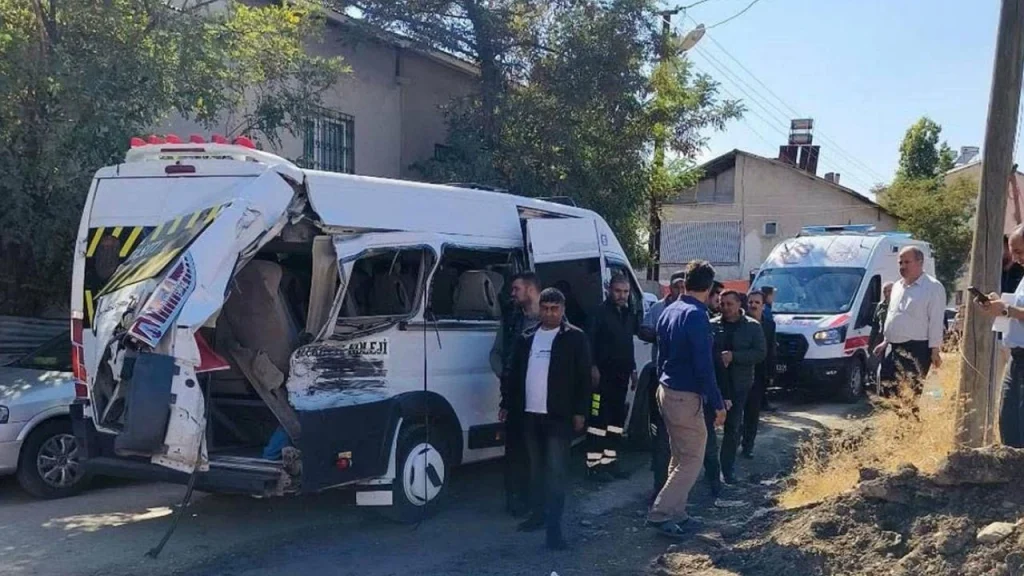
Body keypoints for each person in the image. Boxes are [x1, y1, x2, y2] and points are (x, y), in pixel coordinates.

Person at [502, 288, 590, 550]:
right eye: (545, 308)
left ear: (563, 310)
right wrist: (506, 404)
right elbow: (513, 374)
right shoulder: (526, 338)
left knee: (555, 473)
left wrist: (580, 411)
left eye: (555, 309)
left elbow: (583, 378)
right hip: (530, 416)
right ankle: (537, 516)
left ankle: (554, 530)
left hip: (558, 417)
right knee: (535, 470)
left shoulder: (575, 338)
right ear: (539, 308)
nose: (550, 313)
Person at [647, 260, 727, 539]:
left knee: (680, 456)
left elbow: (660, 356)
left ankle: (676, 513)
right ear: (708, 286)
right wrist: (718, 404)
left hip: (666, 390)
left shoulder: (669, 310)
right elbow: (704, 366)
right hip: (685, 396)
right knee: (692, 458)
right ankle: (660, 513)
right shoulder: (696, 315)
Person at [491, 272, 541, 517]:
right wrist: (506, 377)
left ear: (530, 290)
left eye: (516, 289)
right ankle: (516, 500)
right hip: (516, 397)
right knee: (515, 452)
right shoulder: (512, 318)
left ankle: (537, 501)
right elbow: (496, 354)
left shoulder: (552, 318)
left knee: (539, 452)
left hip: (543, 399)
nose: (512, 294)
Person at [586, 274, 639, 481]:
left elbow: (628, 344)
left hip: (621, 377)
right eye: (618, 291)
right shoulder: (598, 313)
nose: (622, 295)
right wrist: (592, 367)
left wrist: (633, 370)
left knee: (616, 422)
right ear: (609, 290)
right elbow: (589, 342)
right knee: (598, 421)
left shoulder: (628, 314)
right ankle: (594, 466)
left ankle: (610, 462)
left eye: (625, 292)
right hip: (601, 379)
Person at [874, 246, 946, 398]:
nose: (902, 266)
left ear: (920, 262)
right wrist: (885, 342)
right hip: (894, 348)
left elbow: (936, 320)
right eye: (900, 263)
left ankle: (910, 415)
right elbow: (893, 316)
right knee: (886, 392)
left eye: (907, 262)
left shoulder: (933, 287)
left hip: (917, 349)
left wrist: (935, 350)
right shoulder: (897, 287)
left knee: (909, 394)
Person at [710, 290, 766, 484]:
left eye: (729, 304)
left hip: (739, 385)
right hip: (715, 384)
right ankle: (710, 470)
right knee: (708, 429)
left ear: (738, 305)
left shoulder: (752, 326)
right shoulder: (712, 325)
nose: (725, 308)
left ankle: (727, 470)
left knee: (732, 428)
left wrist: (735, 357)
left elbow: (760, 353)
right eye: (722, 304)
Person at [640, 271, 686, 498]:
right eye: (676, 286)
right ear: (670, 288)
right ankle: (660, 486)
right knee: (660, 434)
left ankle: (676, 488)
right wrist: (660, 335)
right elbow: (643, 329)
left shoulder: (691, 311)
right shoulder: (658, 308)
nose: (680, 291)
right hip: (660, 377)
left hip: (684, 383)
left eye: (684, 286)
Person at [742, 291, 775, 459]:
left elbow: (771, 350)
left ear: (763, 305)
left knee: (753, 413)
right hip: (740, 375)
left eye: (757, 302)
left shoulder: (769, 325)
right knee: (737, 413)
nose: (753, 305)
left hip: (759, 376)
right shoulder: (741, 323)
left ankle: (748, 446)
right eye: (751, 302)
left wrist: (771, 374)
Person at [868, 282, 894, 385]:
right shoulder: (880, 305)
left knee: (890, 364)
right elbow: (875, 325)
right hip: (881, 337)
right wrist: (870, 343)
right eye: (884, 291)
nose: (887, 294)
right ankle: (879, 386)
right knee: (877, 364)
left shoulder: (898, 304)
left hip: (894, 338)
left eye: (889, 291)